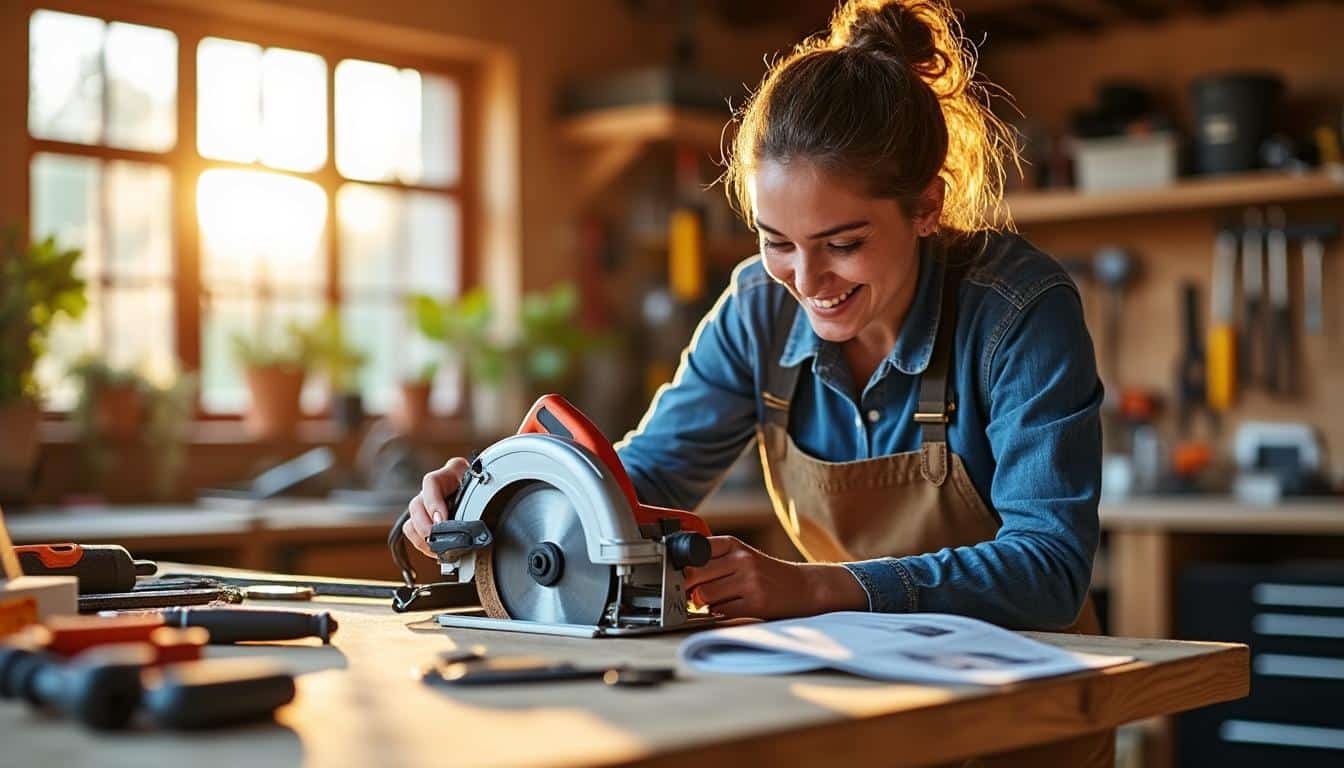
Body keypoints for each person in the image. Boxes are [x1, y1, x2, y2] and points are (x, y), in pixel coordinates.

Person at [407, 0, 1104, 666]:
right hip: (869, 688)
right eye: (778, 242)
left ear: (925, 206)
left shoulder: (1017, 310)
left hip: (1030, 693)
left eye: (842, 243)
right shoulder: (757, 309)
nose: (806, 279)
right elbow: (642, 484)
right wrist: (494, 502)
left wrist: (817, 586)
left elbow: (1048, 566)